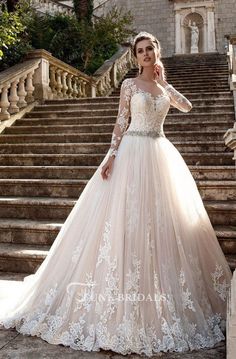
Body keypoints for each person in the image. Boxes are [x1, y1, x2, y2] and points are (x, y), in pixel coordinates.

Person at [0, 31, 232, 357]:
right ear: (135, 56)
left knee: (158, 226)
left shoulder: (162, 85)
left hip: (160, 154)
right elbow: (120, 122)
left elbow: (187, 107)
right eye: (140, 50)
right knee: (125, 222)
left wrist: (164, 83)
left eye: (149, 48)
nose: (145, 54)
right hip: (131, 154)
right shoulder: (129, 86)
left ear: (156, 51)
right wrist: (111, 156)